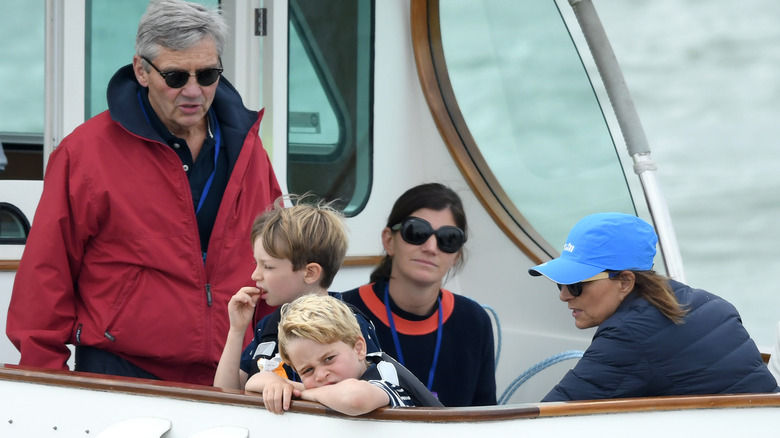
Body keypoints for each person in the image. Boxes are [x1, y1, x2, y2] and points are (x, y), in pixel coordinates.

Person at [6, 0, 281, 385]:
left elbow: (280, 260)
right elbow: (45, 275)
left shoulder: (251, 151)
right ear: (141, 70)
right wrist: (46, 382)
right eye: (175, 76)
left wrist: (284, 360)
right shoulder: (83, 154)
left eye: (207, 75)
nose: (193, 91)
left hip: (235, 373)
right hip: (119, 376)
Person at [529, 212, 780, 402]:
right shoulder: (711, 304)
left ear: (625, 282)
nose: (564, 296)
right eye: (561, 283)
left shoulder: (628, 335)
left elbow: (546, 421)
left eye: (575, 284)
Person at [341, 183, 497, 407]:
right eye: (417, 232)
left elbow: (485, 417)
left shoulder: (474, 321)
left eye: (448, 238)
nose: (431, 247)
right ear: (389, 240)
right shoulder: (342, 312)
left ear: (456, 255)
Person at [213, 196, 381, 392]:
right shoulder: (268, 327)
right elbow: (226, 394)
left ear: (310, 273)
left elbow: (366, 395)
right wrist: (236, 331)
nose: (255, 275)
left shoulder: (349, 323)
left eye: (267, 266)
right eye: (255, 263)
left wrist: (288, 388)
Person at [256, 294, 440, 415]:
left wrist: (301, 392)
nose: (320, 375)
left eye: (329, 359)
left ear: (359, 348)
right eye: (308, 370)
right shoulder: (333, 387)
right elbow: (255, 381)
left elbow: (355, 399)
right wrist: (276, 384)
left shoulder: (385, 375)